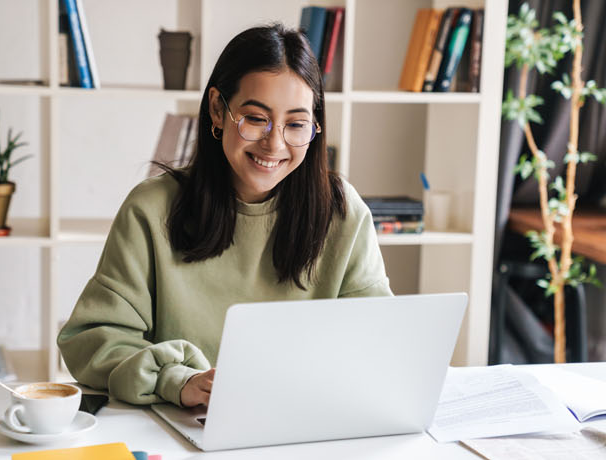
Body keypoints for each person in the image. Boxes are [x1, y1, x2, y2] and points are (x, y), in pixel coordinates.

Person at [56, 24, 392, 408]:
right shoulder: (152, 209)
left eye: (296, 124)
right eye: (255, 118)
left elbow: (377, 339)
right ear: (218, 109)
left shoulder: (343, 213)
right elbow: (92, 338)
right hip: (184, 425)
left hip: (306, 421)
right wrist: (175, 379)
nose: (275, 143)